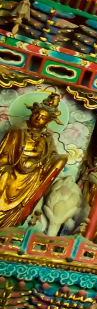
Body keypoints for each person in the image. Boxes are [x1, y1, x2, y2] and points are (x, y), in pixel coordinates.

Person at [0, 92, 67, 227]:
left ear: (48, 121)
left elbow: (51, 155)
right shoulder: (17, 129)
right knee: (4, 175)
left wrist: (53, 160)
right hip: (13, 167)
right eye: (36, 114)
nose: (38, 118)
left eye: (43, 117)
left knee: (61, 159)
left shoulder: (47, 135)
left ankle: (15, 220)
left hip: (34, 173)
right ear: (31, 114)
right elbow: (5, 153)